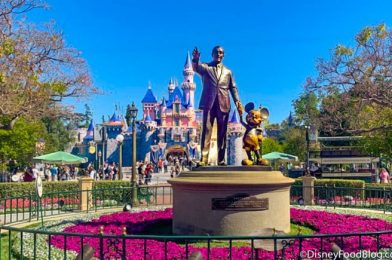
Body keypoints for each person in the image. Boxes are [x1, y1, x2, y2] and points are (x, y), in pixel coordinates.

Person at [192, 46, 243, 166]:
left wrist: (237, 101)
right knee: (206, 131)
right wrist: (195, 59)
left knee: (222, 133)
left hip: (224, 103)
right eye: (217, 52)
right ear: (212, 54)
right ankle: (204, 159)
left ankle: (221, 159)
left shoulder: (228, 72)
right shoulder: (206, 67)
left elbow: (233, 88)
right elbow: (196, 68)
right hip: (209, 104)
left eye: (221, 53)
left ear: (223, 55)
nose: (219, 54)